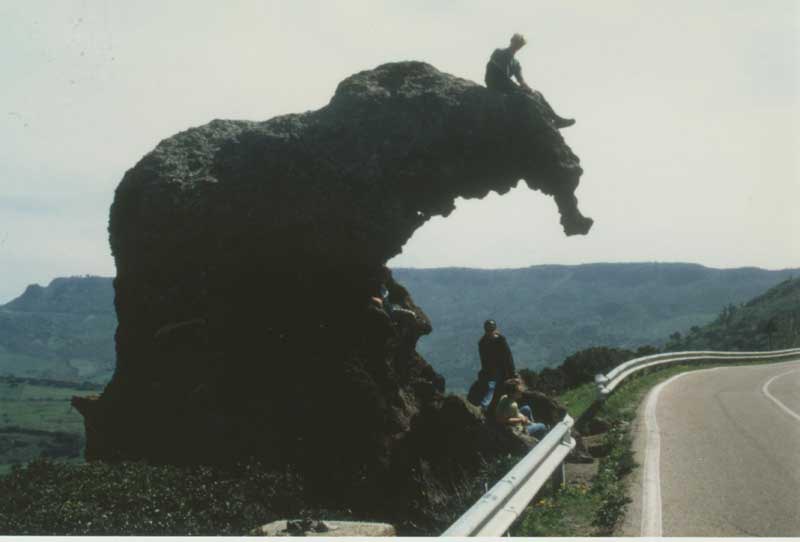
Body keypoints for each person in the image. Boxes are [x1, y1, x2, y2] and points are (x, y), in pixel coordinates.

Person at [484, 33, 576, 129]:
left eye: (520, 45)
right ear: (511, 41)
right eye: (516, 43)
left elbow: (521, 79)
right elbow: (500, 72)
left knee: (537, 94)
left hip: (508, 84)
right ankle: (551, 119)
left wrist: (528, 88)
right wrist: (518, 87)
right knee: (526, 97)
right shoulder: (499, 52)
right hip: (495, 82)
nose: (517, 46)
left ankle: (555, 119)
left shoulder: (516, 63)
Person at [477, 319, 517, 411]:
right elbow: (483, 359)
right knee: (491, 384)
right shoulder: (483, 342)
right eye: (488, 329)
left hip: (501, 369)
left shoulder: (499, 340)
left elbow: (508, 357)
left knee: (491, 384)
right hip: (490, 370)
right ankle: (485, 405)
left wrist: (512, 372)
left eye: (491, 329)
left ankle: (485, 404)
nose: (490, 331)